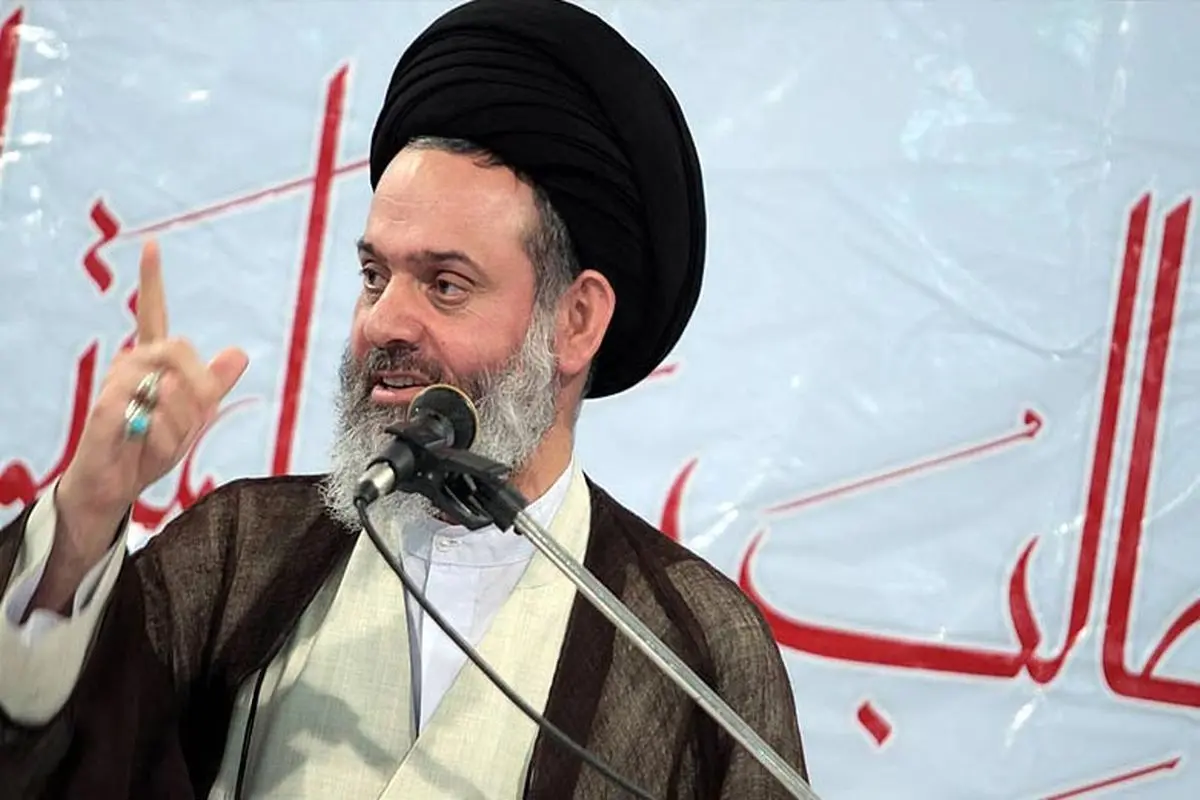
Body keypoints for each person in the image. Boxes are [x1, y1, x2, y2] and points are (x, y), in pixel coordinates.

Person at [0, 0, 808, 797]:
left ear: (575, 320)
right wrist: (84, 518)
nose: (382, 321)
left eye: (445, 284)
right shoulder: (246, 552)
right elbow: (61, 758)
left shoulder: (692, 645)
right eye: (374, 275)